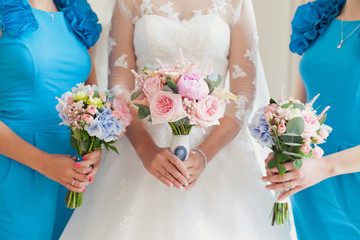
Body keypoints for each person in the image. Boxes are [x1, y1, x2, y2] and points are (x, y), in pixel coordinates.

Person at [61, 0, 291, 239]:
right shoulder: (129, 2)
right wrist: (146, 150)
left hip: (216, 142)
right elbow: (120, 83)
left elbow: (243, 91)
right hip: (141, 139)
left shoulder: (237, 3)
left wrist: (203, 155)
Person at [0, 0, 102, 239]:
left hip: (72, 173)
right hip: (14, 169)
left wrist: (95, 148)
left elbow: (93, 97)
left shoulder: (77, 13)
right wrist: (44, 163)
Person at [262, 0, 360, 239]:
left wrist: (324, 167)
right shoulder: (318, 17)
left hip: (348, 172)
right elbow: (300, 107)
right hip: (309, 178)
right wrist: (284, 150)